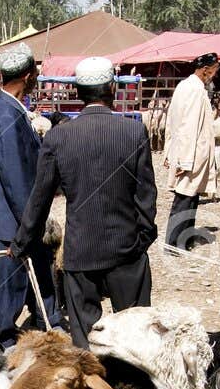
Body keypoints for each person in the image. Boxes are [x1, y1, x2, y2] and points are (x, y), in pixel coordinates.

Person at [15, 56, 157, 347]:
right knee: (135, 336)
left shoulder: (58, 137)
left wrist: (21, 242)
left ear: (78, 92)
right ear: (112, 88)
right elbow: (146, 195)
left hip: (81, 252)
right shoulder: (133, 132)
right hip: (126, 250)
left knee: (87, 343)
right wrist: (142, 239)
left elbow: (40, 199)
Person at [0, 44, 58, 347]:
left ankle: (46, 328)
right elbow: (15, 178)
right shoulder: (6, 115)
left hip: (19, 220)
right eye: (36, 73)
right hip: (15, 223)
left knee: (37, 281)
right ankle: (5, 345)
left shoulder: (9, 109)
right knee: (10, 291)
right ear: (28, 76)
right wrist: (30, 226)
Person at [163, 52, 218, 249]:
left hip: (189, 150)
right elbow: (188, 125)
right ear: (205, 70)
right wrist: (185, 160)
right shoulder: (194, 90)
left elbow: (171, 121)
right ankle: (173, 243)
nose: (215, 74)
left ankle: (184, 239)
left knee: (192, 195)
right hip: (191, 152)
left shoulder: (186, 86)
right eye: (214, 70)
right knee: (185, 196)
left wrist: (170, 150)